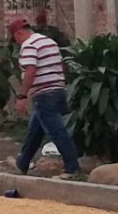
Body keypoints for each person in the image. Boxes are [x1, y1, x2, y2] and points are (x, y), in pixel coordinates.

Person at [8, 18, 82, 178]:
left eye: (15, 39)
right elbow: (60, 65)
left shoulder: (29, 45)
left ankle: (72, 166)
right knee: (35, 131)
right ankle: (22, 162)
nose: (17, 43)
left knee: (57, 131)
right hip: (57, 90)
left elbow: (30, 70)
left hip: (43, 93)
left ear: (19, 33)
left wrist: (22, 96)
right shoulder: (49, 42)